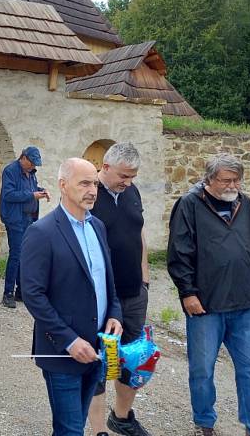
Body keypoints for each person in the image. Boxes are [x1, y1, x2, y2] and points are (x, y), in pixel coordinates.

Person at [167, 153, 250, 436]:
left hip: (242, 302)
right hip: (205, 305)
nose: (233, 185)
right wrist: (187, 293)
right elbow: (179, 253)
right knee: (202, 371)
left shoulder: (244, 203)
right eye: (226, 180)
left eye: (237, 180)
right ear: (209, 179)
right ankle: (204, 421)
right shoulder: (189, 204)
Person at [21, 157, 123, 436]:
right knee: (69, 430)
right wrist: (68, 340)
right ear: (63, 186)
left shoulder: (97, 227)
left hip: (96, 348)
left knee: (76, 425)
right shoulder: (41, 232)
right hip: (62, 353)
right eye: (84, 183)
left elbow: (107, 282)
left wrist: (115, 314)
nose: (92, 190)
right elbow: (33, 294)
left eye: (95, 184)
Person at [87, 143, 152, 436]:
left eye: (133, 176)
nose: (128, 182)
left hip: (134, 292)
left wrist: (145, 276)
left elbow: (139, 231)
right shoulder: (89, 195)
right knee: (99, 361)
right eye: (124, 176)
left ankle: (121, 418)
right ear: (106, 167)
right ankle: (99, 429)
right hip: (100, 298)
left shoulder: (132, 193)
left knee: (133, 358)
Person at [0, 146, 49, 308]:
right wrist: (32, 195)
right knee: (16, 255)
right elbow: (9, 195)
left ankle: (20, 291)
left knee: (25, 255)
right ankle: (8, 294)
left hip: (29, 218)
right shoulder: (10, 171)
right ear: (24, 158)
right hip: (15, 219)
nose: (34, 167)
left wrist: (41, 191)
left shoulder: (31, 174)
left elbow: (31, 190)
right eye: (32, 163)